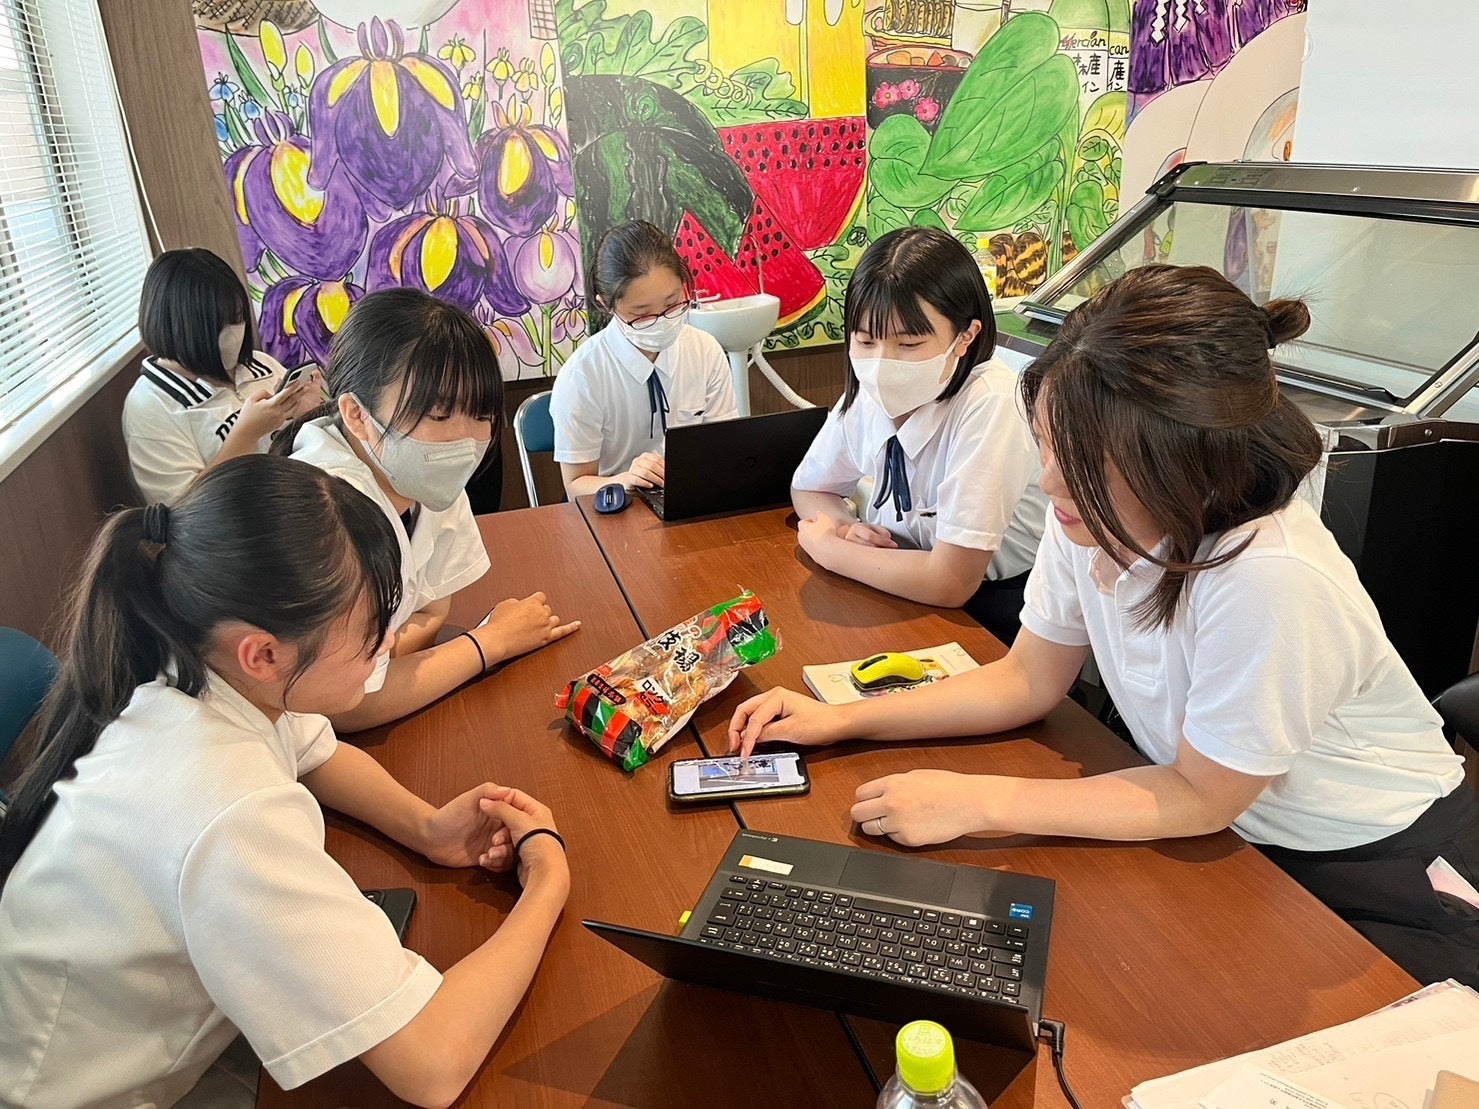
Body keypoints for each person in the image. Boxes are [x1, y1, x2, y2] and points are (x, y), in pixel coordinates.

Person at [730, 264, 1479, 988]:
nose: (1049, 479)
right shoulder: (1090, 513)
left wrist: (977, 801)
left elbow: (1202, 794)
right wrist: (843, 719)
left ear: (1180, 459)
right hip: (1222, 826)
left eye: (1081, 459)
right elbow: (1028, 677)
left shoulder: (1268, 574)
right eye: (1047, 445)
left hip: (1362, 854)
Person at [0, 456, 570, 1108]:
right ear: (264, 653)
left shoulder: (188, 662)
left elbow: (315, 753)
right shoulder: (228, 806)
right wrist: (548, 878)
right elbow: (433, 1064)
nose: (388, 645)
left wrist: (427, 827)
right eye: (369, 632)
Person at [276, 288, 578, 732]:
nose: (465, 439)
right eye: (438, 416)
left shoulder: (425, 482)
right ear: (356, 414)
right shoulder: (321, 514)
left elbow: (430, 616)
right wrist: (488, 643)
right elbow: (342, 705)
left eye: (480, 415)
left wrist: (380, 664)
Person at [790, 227, 1047, 642]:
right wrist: (845, 529)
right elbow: (810, 488)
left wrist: (831, 549)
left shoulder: (992, 403)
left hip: (991, 606)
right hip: (892, 580)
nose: (882, 364)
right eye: (865, 341)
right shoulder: (869, 391)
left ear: (966, 336)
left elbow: (951, 581)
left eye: (909, 344)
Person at [551, 220, 738, 498]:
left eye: (672, 303)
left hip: (694, 498)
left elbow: (725, 448)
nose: (661, 321)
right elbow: (575, 485)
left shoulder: (705, 350)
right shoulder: (583, 376)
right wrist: (626, 480)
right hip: (617, 508)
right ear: (606, 304)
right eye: (641, 314)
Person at [122, 248, 322, 504]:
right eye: (219, 325)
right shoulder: (151, 406)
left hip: (305, 498)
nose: (235, 333)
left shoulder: (261, 364)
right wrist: (246, 434)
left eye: (237, 318)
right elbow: (183, 511)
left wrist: (308, 414)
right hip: (251, 521)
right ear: (179, 327)